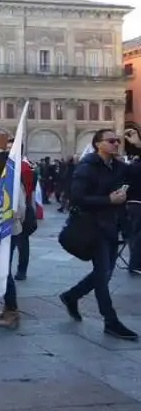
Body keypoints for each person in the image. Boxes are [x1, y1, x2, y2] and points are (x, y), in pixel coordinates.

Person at [60, 129, 139, 340]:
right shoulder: (86, 167)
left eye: (118, 140)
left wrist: (138, 146)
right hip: (92, 228)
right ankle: (110, 321)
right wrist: (108, 200)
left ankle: (71, 296)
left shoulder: (118, 166)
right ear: (98, 144)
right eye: (111, 141)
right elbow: (76, 197)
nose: (116, 144)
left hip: (112, 227)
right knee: (103, 275)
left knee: (103, 274)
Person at [0, 151, 27, 329]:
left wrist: (6, 215)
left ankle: (12, 308)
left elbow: (21, 210)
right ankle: (8, 305)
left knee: (5, 271)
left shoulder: (13, 184)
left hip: (8, 232)